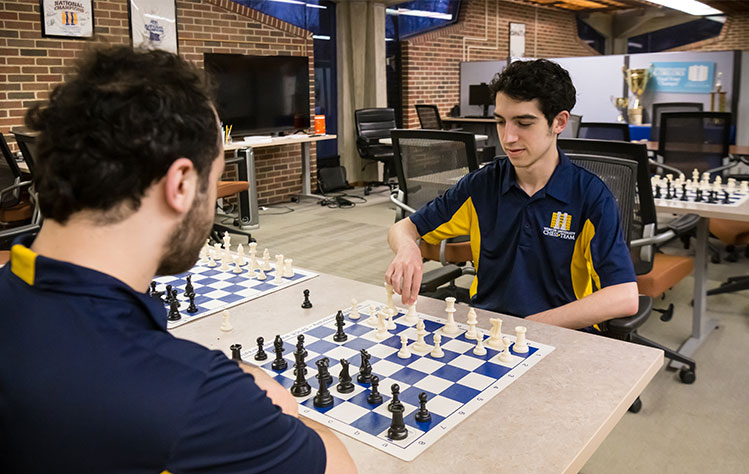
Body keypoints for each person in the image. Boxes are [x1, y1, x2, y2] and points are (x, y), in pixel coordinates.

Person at [0, 46, 356, 474]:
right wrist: (275, 407)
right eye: (217, 177)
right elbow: (339, 467)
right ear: (182, 183)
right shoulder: (196, 398)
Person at [386, 59, 639, 330]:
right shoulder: (481, 185)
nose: (507, 137)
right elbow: (403, 228)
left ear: (559, 122)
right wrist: (408, 248)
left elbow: (624, 297)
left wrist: (529, 327)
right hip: (484, 330)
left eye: (523, 123)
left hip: (561, 334)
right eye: (501, 122)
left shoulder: (590, 196)